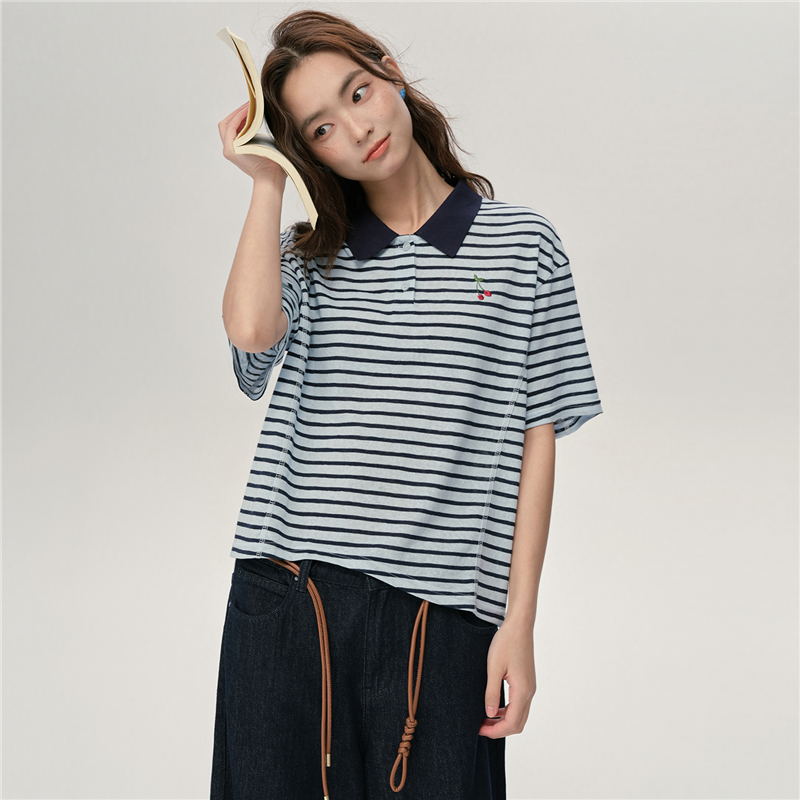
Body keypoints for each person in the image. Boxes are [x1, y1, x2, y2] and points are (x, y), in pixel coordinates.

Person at [211, 9, 603, 800]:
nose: (356, 129)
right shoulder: (307, 257)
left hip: (443, 615)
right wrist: (266, 181)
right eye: (321, 129)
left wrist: (519, 623)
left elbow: (539, 435)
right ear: (310, 151)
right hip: (290, 597)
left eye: (357, 93)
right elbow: (251, 334)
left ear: (389, 72)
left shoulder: (524, 246)